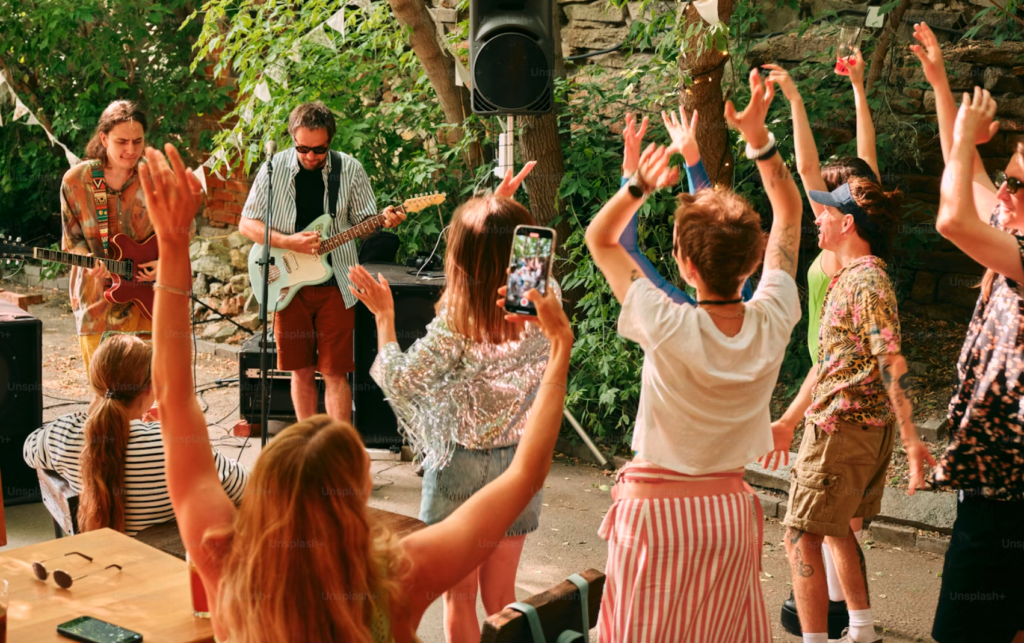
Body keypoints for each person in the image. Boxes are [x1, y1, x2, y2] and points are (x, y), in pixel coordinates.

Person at [139, 141, 573, 643]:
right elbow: (527, 472)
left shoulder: (225, 562)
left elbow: (172, 402)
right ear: (360, 493)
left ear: (263, 498)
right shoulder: (398, 578)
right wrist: (558, 344)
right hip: (504, 448)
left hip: (460, 461)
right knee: (499, 596)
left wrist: (172, 246)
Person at [586, 69, 803, 643]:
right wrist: (759, 138)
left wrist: (635, 186)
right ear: (754, 262)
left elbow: (600, 240)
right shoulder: (775, 312)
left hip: (656, 518)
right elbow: (790, 211)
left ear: (682, 266)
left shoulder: (666, 321)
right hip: (730, 514)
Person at [348, 163, 557, 643]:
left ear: (460, 258)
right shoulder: (543, 304)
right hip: (518, 465)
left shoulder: (455, 325)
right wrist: (501, 217)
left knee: (457, 597)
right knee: (502, 597)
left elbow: (400, 380)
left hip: (459, 463)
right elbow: (513, 260)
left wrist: (384, 317)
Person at [759, 85, 934, 643]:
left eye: (827, 212)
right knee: (831, 532)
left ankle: (822, 638)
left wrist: (910, 440)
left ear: (848, 222)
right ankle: (859, 631)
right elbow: (834, 361)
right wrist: (789, 419)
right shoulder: (850, 277)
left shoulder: (865, 279)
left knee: (798, 535)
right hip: (839, 422)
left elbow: (890, 360)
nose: (818, 217)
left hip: (844, 429)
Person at [763, 56, 888, 639]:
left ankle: (838, 619)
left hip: (839, 383)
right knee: (835, 525)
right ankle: (844, 618)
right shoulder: (831, 226)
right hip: (829, 373)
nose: (822, 197)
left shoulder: (849, 239)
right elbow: (815, 168)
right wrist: (801, 96)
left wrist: (808, 96)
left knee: (820, 526)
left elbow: (856, 167)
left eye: (835, 192)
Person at [917, 28, 1024, 642]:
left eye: (1019, 184)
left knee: (964, 631)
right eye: (1008, 180)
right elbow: (968, 177)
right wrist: (939, 86)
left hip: (1008, 492)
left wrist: (963, 137)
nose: (1004, 192)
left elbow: (952, 216)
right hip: (995, 484)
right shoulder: (1011, 235)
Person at [238, 101, 405, 423]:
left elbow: (365, 220)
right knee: (299, 372)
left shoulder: (350, 169)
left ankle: (338, 451)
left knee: (335, 373)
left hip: (337, 284)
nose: (311, 156)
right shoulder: (273, 168)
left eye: (320, 150)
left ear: (330, 141)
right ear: (292, 139)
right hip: (289, 286)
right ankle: (306, 446)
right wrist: (288, 242)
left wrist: (383, 220)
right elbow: (247, 224)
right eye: (303, 149)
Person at [22, 334, 248, 536]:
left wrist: (94, 411)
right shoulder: (178, 444)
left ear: (95, 384)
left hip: (101, 568)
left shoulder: (65, 434)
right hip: (167, 569)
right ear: (151, 387)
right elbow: (244, 488)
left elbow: (29, 449)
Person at [61, 100, 168, 375]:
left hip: (148, 301)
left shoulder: (159, 178)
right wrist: (89, 260)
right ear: (103, 137)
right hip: (96, 302)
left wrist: (166, 262)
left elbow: (180, 231)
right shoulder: (76, 181)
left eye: (138, 141)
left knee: (143, 391)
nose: (131, 150)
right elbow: (73, 241)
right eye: (122, 141)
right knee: (104, 391)